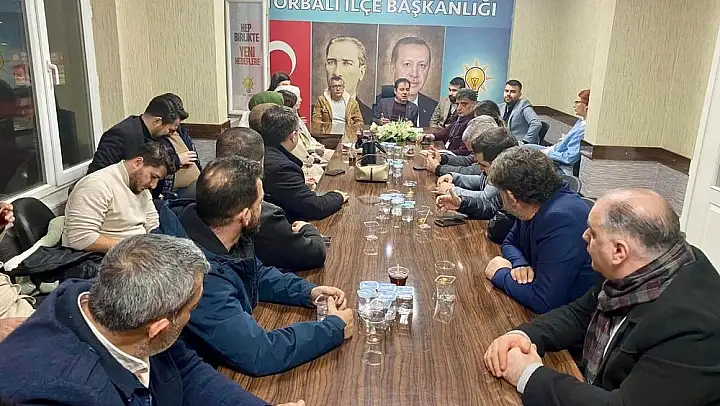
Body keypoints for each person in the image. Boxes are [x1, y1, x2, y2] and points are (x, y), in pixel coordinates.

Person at [483, 189, 720, 406]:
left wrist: (528, 375)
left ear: (619, 251)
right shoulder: (642, 266)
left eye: (593, 233)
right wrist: (523, 335)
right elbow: (579, 314)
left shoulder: (692, 327)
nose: (584, 236)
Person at [0, 234, 283, 405]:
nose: (191, 316)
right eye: (192, 308)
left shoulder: (104, 298)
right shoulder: (56, 394)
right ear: (158, 328)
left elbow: (185, 370)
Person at [158, 156, 354, 376]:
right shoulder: (199, 278)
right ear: (245, 216)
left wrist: (308, 292)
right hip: (205, 374)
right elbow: (260, 353)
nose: (264, 207)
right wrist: (333, 328)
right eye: (260, 202)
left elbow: (256, 274)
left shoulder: (217, 230)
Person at [484, 146, 598, 314]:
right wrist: (520, 263)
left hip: (575, 319)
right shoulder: (532, 203)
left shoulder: (562, 218)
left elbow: (544, 301)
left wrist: (500, 274)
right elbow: (509, 242)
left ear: (510, 196)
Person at [215, 127, 326, 271]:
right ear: (261, 163)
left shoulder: (193, 195)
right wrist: (307, 228)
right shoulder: (265, 215)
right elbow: (314, 254)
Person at [63, 142, 174, 253]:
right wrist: (136, 249)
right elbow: (80, 238)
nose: (153, 185)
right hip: (104, 256)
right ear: (137, 163)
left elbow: (151, 220)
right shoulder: (97, 185)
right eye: (153, 176)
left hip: (136, 251)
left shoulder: (139, 185)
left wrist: (159, 247)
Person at [261, 105, 348, 221]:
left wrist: (300, 184)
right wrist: (338, 196)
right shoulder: (282, 168)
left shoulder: (261, 151)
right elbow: (315, 207)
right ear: (293, 136)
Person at [435, 127, 518, 220]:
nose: (479, 167)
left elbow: (485, 197)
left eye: (483, 165)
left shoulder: (510, 181)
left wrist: (454, 191)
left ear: (500, 163)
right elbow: (490, 204)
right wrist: (454, 178)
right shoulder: (495, 173)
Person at [87, 95, 181, 174]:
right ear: (157, 121)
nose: (171, 134)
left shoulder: (151, 134)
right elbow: (96, 174)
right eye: (170, 130)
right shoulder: (118, 135)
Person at [425, 100, 504, 175]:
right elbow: (470, 159)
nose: (474, 122)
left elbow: (471, 171)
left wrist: (438, 168)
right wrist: (442, 158)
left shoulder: (494, 144)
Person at [527, 89, 590, 175]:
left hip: (561, 166)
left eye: (577, 102)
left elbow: (569, 158)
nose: (574, 105)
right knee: (525, 148)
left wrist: (547, 153)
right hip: (555, 152)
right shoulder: (581, 122)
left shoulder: (584, 129)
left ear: (587, 106)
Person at [153, 93, 202, 200]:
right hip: (173, 193)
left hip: (196, 183)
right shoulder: (153, 138)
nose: (176, 126)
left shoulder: (181, 131)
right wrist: (177, 160)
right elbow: (154, 166)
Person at [387, 36, 438, 127]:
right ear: (393, 68)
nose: (414, 74)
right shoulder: (380, 104)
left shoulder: (434, 108)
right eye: (407, 64)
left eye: (421, 65)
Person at [324, 36, 373, 123]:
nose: (337, 72)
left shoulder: (370, 117)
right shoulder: (310, 114)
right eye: (331, 62)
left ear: (361, 72)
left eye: (346, 63)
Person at [275, 84, 327, 158]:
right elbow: (299, 150)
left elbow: (307, 138)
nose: (301, 100)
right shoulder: (287, 123)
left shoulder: (297, 118)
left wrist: (316, 145)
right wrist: (313, 150)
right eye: (298, 97)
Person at [425, 88, 478, 156]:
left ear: (474, 104)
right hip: (446, 151)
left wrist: (440, 153)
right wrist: (431, 136)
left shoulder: (474, 123)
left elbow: (462, 153)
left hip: (453, 158)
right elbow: (447, 131)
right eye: (457, 104)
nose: (459, 108)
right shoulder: (458, 115)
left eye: (464, 104)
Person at [498, 80, 542, 144]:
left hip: (520, 144)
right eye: (506, 91)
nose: (508, 94)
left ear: (519, 95)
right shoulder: (501, 107)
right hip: (505, 142)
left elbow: (536, 124)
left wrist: (525, 141)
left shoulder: (523, 105)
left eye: (513, 92)